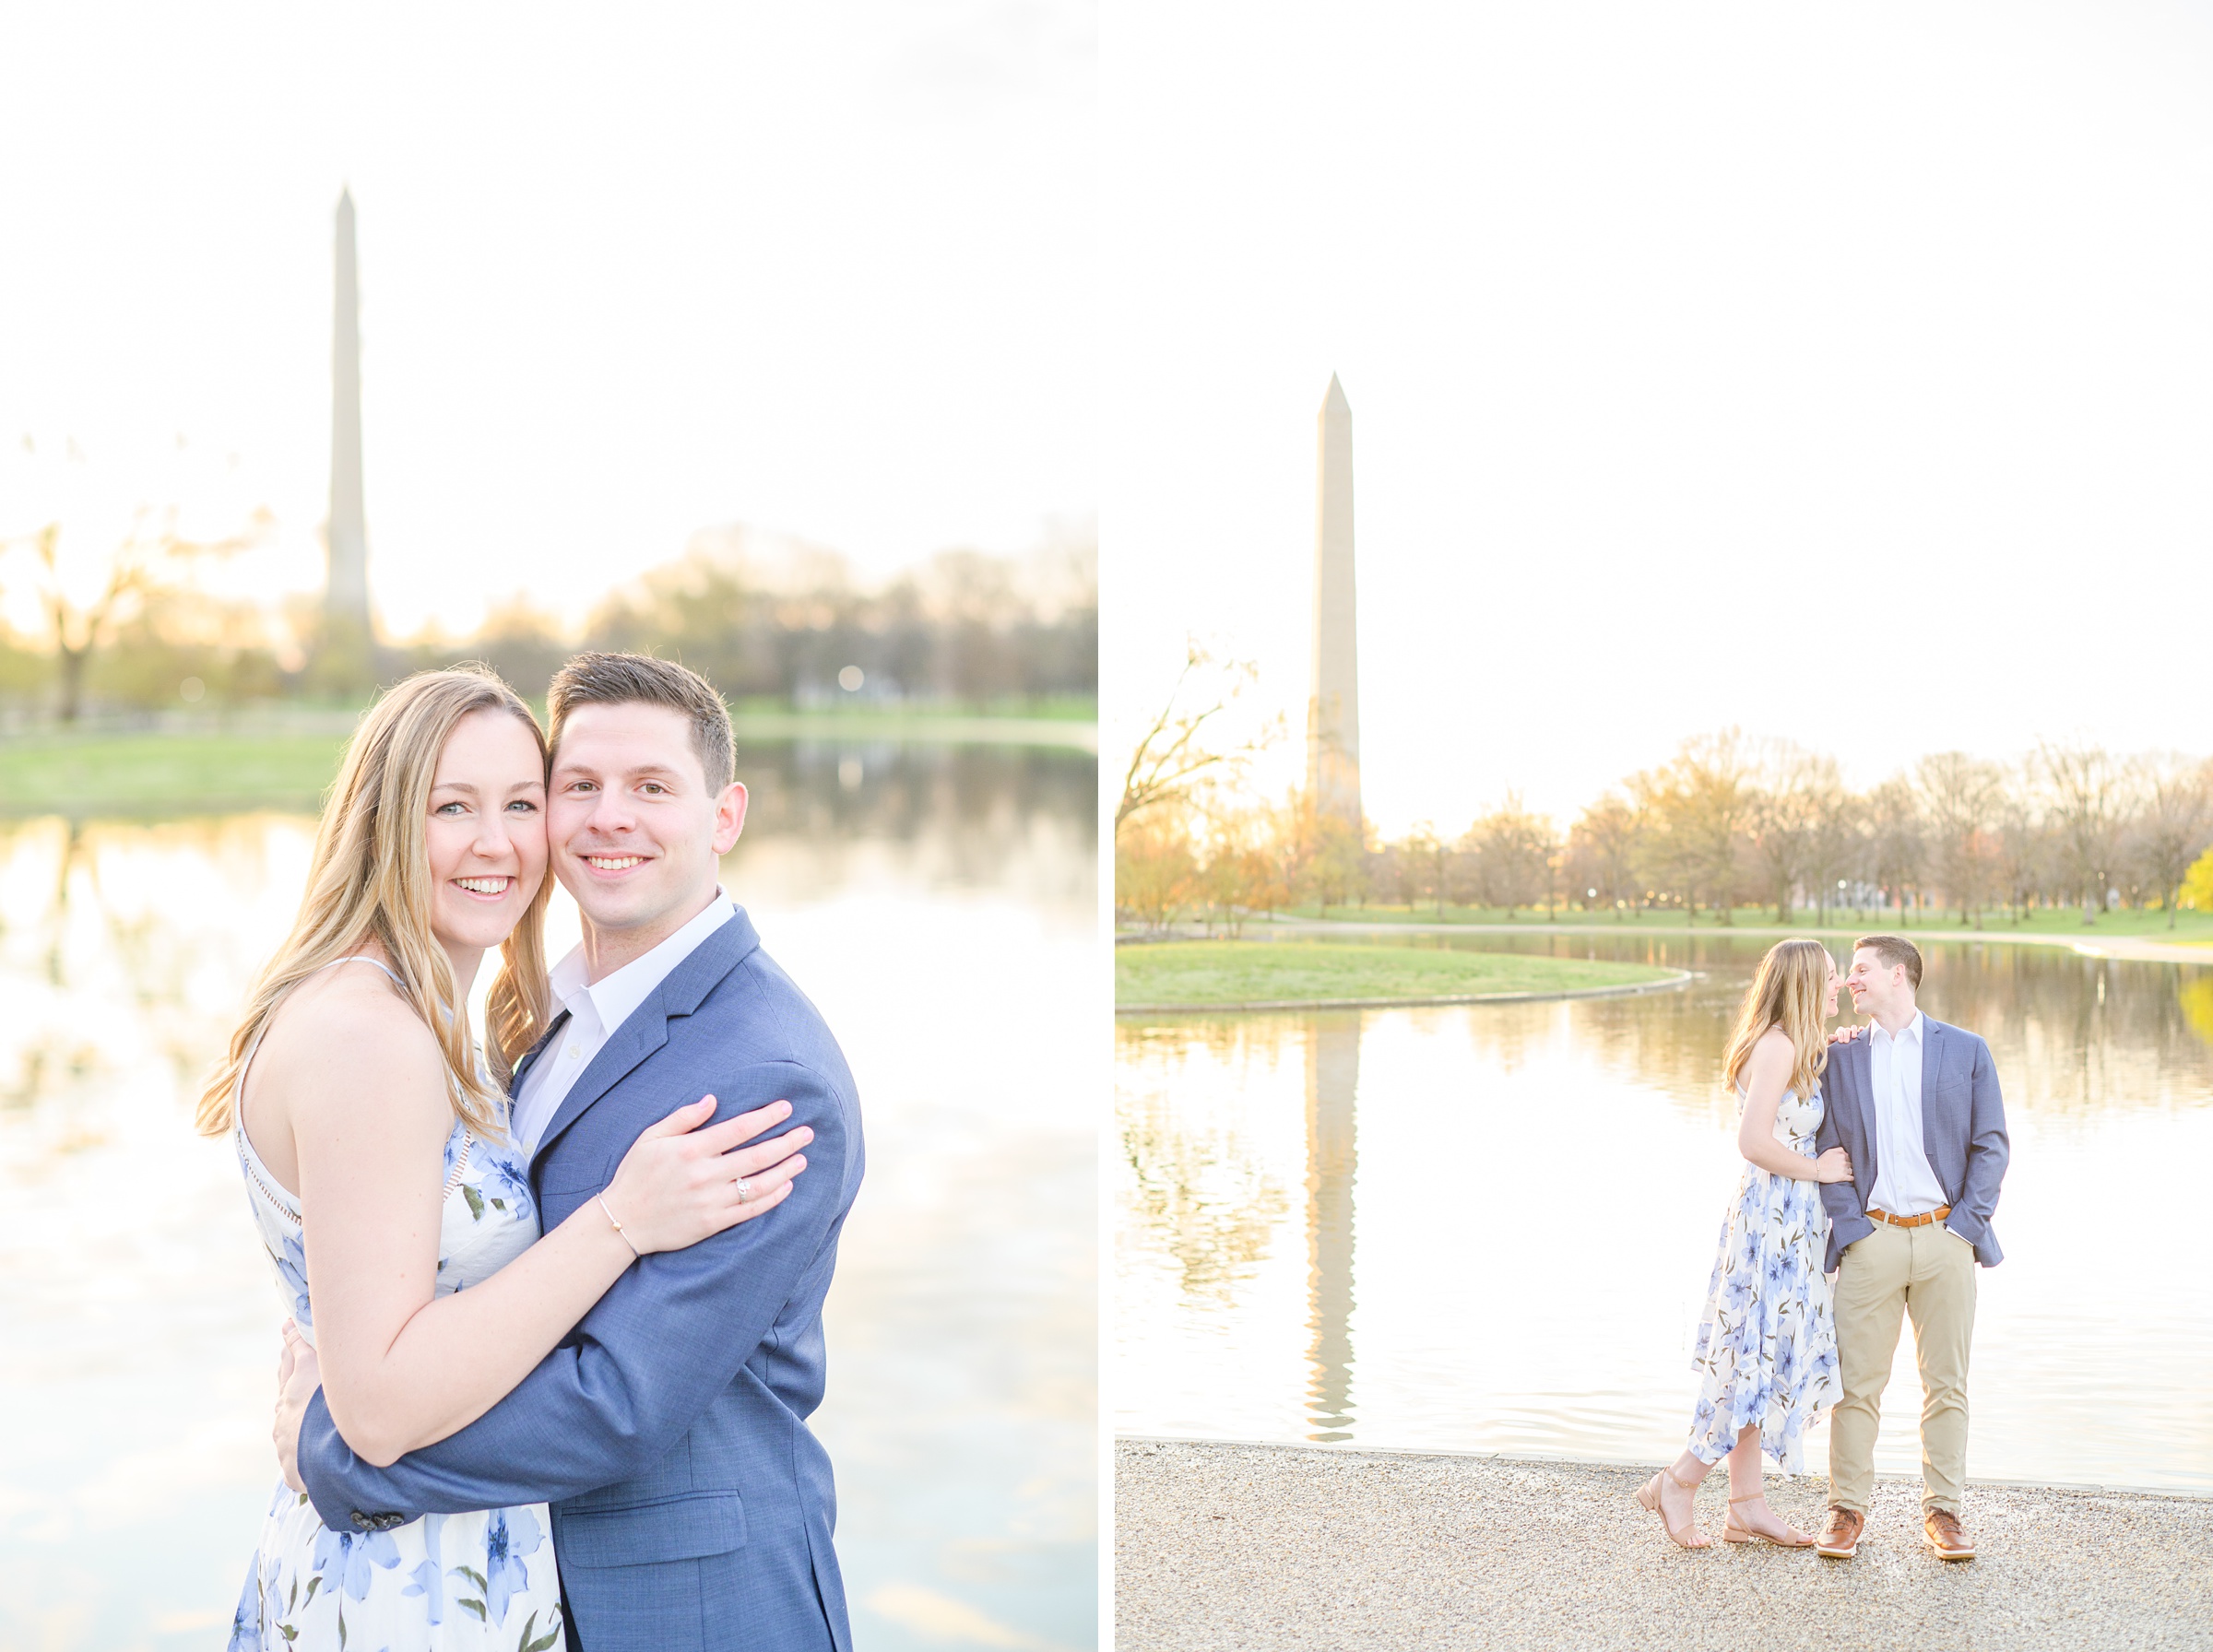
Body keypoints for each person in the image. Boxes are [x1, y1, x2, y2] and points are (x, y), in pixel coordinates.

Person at [276, 652, 867, 1651]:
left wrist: (334, 1449)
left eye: (652, 788)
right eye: (578, 786)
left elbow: (616, 1402)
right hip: (515, 1590)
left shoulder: (768, 1072)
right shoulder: (531, 1011)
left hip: (695, 1613)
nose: (609, 818)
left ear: (723, 817)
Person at [1636, 938, 1851, 1550]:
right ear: (1807, 982)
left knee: (1765, 1361)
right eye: (1832, 978)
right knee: (1747, 1365)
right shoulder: (1779, 1047)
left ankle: (1747, 1505)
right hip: (1770, 1225)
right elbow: (1753, 1141)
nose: (1838, 987)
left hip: (1790, 1227)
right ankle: (1680, 1480)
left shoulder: (1796, 1046)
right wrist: (1821, 1170)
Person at [1811, 934, 2008, 1563]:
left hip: (1947, 1238)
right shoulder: (1839, 1058)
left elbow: (1992, 1146)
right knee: (1856, 1386)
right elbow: (1827, 1148)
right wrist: (1852, 1230)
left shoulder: (1967, 1051)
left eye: (1861, 970)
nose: (1850, 981)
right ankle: (1846, 1511)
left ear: (1900, 975)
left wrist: (1967, 1228)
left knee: (1947, 1384)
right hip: (1871, 1240)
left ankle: (1944, 1513)